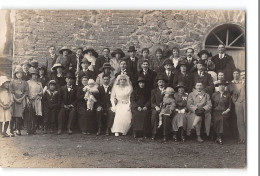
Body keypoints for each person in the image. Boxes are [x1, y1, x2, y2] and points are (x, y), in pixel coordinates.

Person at [227, 69, 246, 144]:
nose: (242, 76)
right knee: (240, 121)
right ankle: (242, 138)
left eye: (243, 75)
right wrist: (235, 101)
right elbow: (230, 94)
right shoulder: (232, 84)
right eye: (234, 73)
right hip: (239, 103)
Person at [10, 66, 29, 136]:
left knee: (19, 115)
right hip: (13, 100)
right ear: (15, 74)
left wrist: (21, 98)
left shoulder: (25, 83)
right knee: (12, 115)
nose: (19, 75)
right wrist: (15, 98)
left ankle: (18, 129)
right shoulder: (12, 82)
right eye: (17, 73)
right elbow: (11, 91)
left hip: (21, 100)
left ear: (22, 74)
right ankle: (11, 130)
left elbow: (26, 92)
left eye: (20, 73)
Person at [211, 80, 231, 145]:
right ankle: (219, 137)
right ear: (218, 86)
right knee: (217, 119)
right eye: (220, 85)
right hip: (215, 112)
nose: (221, 87)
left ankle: (219, 137)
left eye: (223, 85)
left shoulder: (227, 94)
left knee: (222, 119)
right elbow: (211, 105)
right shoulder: (214, 94)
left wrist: (226, 111)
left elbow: (230, 106)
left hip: (224, 112)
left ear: (225, 86)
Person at [27, 67, 43, 134]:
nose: (35, 76)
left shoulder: (39, 83)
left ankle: (34, 129)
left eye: (36, 75)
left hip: (37, 100)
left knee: (36, 115)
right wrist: (28, 99)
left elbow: (42, 92)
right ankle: (29, 130)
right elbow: (26, 92)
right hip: (30, 100)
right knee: (30, 115)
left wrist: (39, 94)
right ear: (31, 75)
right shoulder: (28, 82)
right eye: (33, 75)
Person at [150, 75, 167, 140]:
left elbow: (170, 100)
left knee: (165, 116)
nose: (161, 84)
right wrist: (156, 106)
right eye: (160, 82)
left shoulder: (167, 90)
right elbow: (152, 102)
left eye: (162, 82)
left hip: (165, 108)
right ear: (157, 83)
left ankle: (165, 134)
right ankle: (154, 133)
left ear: (164, 83)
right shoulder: (154, 91)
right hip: (156, 108)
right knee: (154, 115)